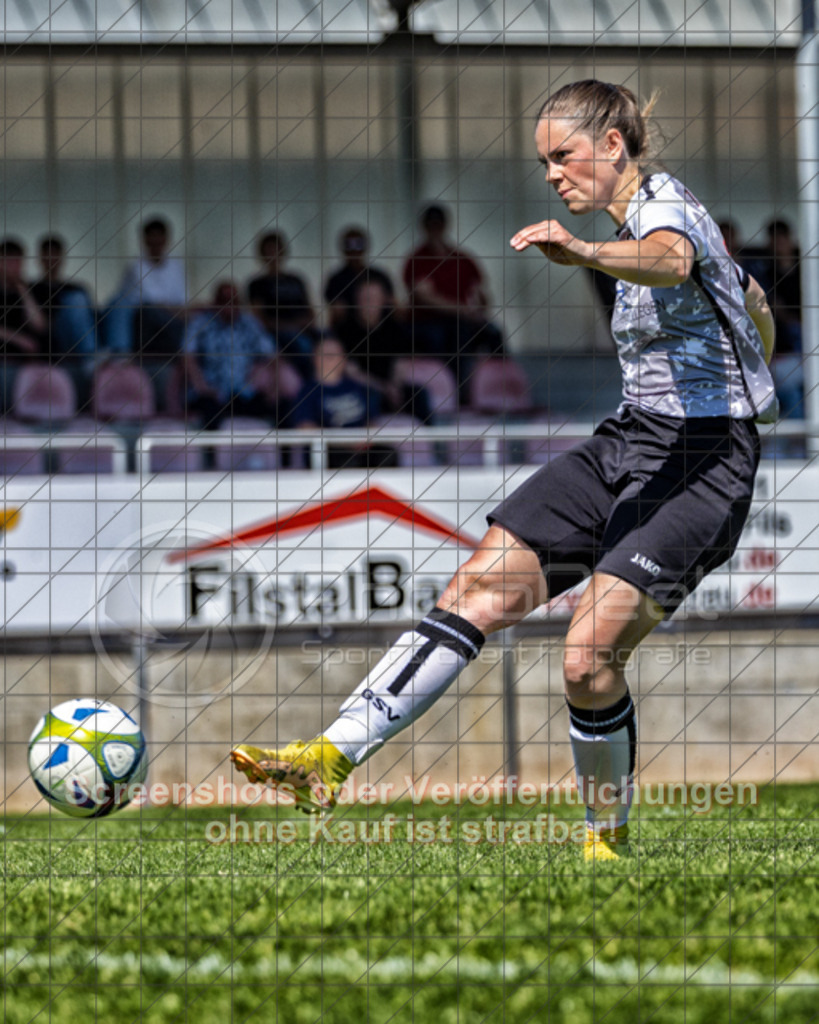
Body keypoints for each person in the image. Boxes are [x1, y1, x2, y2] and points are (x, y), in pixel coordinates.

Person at [231, 80, 776, 863]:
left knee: (587, 659)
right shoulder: (650, 215)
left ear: (613, 145)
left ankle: (605, 840)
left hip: (706, 459)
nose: (552, 173)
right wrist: (752, 329)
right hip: (630, 440)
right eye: (543, 161)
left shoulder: (660, 211)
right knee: (473, 590)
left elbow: (672, 258)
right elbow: (741, 288)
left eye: (563, 156)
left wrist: (584, 251)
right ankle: (331, 753)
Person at [403, 203, 502, 388]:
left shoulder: (462, 259)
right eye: (431, 225)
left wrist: (478, 312)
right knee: (450, 337)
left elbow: (481, 293)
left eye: (438, 225)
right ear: (424, 227)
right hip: (428, 323)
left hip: (462, 321)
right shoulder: (417, 259)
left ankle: (500, 388)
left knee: (493, 334)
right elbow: (424, 297)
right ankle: (456, 392)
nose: (435, 230)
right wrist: (460, 310)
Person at [101, 218, 188, 409]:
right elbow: (148, 302)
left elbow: (181, 304)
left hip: (168, 320)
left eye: (160, 237)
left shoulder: (176, 265)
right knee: (130, 306)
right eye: (152, 237)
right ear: (145, 240)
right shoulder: (136, 267)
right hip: (143, 320)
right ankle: (119, 353)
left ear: (166, 239)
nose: (156, 242)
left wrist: (175, 310)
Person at [183, 281, 278, 428]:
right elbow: (187, 357)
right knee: (209, 413)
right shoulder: (200, 323)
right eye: (224, 300)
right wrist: (201, 386)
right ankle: (212, 451)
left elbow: (272, 355)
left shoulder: (250, 323)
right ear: (215, 302)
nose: (229, 305)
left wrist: (272, 386)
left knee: (276, 408)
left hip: (244, 392)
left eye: (234, 301)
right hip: (211, 392)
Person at [288, 333, 385, 468]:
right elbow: (305, 427)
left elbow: (373, 420)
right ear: (315, 358)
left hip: (362, 449)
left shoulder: (357, 387)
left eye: (335, 354)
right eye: (326, 354)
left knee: (387, 455)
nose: (331, 359)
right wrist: (344, 442)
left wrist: (365, 439)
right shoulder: (307, 391)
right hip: (329, 451)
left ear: (344, 359)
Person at [30, 234, 97, 399]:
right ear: (40, 258)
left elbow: (90, 319)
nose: (52, 260)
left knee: (78, 299)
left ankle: (93, 357)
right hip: (52, 339)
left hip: (74, 340)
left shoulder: (76, 287)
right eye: (48, 255)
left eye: (55, 255)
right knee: (76, 300)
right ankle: (92, 358)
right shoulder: (32, 288)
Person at [247, 231, 315, 379]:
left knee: (328, 340)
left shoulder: (296, 280)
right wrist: (285, 326)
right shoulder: (257, 284)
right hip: (276, 333)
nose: (273, 255)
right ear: (262, 255)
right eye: (269, 251)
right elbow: (258, 319)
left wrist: (305, 323)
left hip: (302, 329)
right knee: (302, 345)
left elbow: (310, 312)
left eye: (276, 250)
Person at [0, 238, 45, 410]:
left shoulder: (30, 290)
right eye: (9, 260)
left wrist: (22, 289)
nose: (15, 266)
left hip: (24, 362)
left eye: (18, 261)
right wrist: (18, 339)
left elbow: (39, 325)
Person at [324, 226, 395, 329]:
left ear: (365, 247)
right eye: (349, 246)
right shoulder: (335, 280)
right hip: (349, 331)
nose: (354, 251)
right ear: (343, 249)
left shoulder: (380, 276)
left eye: (358, 245)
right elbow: (335, 313)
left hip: (381, 329)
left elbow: (392, 305)